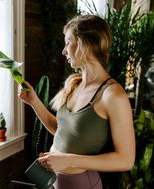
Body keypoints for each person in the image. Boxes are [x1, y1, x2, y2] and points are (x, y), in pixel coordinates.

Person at [18, 14, 135, 189]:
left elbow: (126, 160)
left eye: (67, 42)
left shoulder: (112, 95)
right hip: (54, 181)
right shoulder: (75, 84)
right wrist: (34, 101)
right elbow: (62, 131)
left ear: (84, 44)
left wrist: (66, 160)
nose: (63, 51)